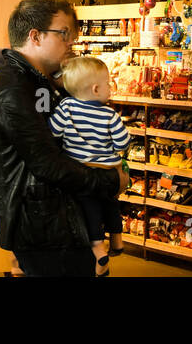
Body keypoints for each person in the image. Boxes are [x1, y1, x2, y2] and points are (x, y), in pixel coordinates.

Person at [0, 0, 126, 277]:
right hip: (45, 227)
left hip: (53, 220)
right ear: (34, 36)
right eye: (63, 34)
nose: (70, 42)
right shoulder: (15, 90)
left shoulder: (36, 81)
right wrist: (110, 181)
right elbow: (47, 164)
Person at [49, 54, 131, 274]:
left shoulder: (66, 107)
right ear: (96, 89)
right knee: (111, 204)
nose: (110, 87)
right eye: (108, 84)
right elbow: (123, 142)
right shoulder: (109, 114)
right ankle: (117, 240)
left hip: (80, 171)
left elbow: (54, 131)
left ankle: (98, 250)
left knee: (90, 210)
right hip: (108, 172)